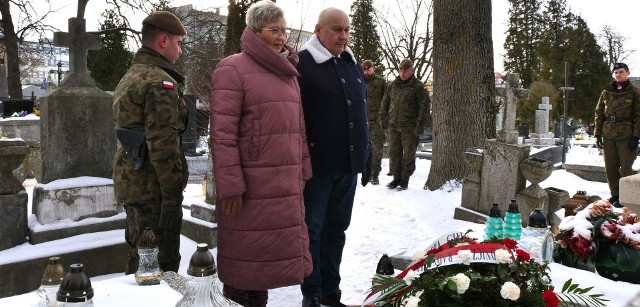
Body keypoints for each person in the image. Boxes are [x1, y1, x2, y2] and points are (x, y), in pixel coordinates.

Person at [210, 1, 313, 306]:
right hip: (249, 187)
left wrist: (303, 170)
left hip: (282, 183)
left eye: (284, 30)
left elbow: (299, 128)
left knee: (264, 267)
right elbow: (222, 135)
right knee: (245, 265)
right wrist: (230, 185)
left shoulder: (288, 73)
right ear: (255, 32)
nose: (282, 37)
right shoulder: (233, 68)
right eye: (274, 30)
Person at [296, 7, 372, 307]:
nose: (343, 36)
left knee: (337, 230)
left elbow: (362, 115)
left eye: (347, 30)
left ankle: (331, 291)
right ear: (318, 30)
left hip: (348, 167)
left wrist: (367, 157)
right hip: (316, 168)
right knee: (312, 232)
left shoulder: (351, 65)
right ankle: (311, 293)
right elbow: (294, 120)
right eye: (336, 29)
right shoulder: (303, 64)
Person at [112, 11, 189, 274]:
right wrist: (171, 199)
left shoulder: (132, 75)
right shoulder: (160, 83)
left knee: (140, 256)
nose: (179, 50)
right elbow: (163, 147)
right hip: (153, 190)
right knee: (159, 267)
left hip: (135, 184)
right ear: (164, 40)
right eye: (178, 43)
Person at [594, 62, 640, 207]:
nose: (618, 74)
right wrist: (597, 134)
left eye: (621, 72)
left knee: (626, 167)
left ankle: (627, 196)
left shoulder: (635, 92)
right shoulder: (606, 92)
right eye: (616, 72)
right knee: (610, 167)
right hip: (608, 133)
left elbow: (639, 115)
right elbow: (599, 113)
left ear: (627, 73)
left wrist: (636, 136)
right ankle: (615, 194)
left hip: (626, 134)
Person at [379, 58, 429, 191]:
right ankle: (396, 178)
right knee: (394, 153)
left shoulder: (418, 86)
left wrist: (419, 125)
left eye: (405, 71)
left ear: (412, 70)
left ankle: (405, 180)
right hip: (393, 125)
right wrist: (382, 117)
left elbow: (424, 107)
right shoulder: (393, 84)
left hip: (410, 127)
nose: (402, 73)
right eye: (400, 70)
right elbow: (385, 101)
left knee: (408, 154)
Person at [362, 59, 388, 185]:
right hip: (362, 121)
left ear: (373, 68)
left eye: (368, 68)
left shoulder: (381, 82)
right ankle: (364, 172)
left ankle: (374, 175)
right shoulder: (358, 81)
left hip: (377, 121)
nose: (366, 71)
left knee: (377, 148)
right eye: (364, 69)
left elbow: (389, 100)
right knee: (362, 147)